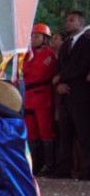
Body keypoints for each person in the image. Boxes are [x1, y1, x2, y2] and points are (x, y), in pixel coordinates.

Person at [51, 10, 90, 180]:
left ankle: (87, 169)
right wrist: (59, 83)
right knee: (64, 133)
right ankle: (63, 168)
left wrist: (62, 78)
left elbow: (83, 66)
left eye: (71, 20)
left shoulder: (87, 42)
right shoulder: (66, 44)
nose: (67, 22)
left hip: (80, 93)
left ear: (80, 23)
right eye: (66, 19)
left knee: (84, 132)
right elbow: (59, 67)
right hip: (64, 93)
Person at [22, 23, 58, 175]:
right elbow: (25, 72)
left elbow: (38, 73)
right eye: (32, 36)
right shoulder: (28, 54)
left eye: (36, 36)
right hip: (30, 96)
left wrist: (29, 73)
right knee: (31, 132)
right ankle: (35, 165)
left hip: (42, 95)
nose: (33, 39)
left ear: (45, 38)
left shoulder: (49, 55)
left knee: (45, 131)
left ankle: (48, 165)